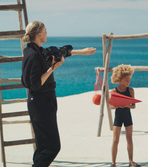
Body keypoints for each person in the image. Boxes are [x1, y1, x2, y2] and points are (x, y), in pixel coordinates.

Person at [21, 21, 96, 167]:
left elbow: (61, 52)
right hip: (40, 104)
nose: (47, 32)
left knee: (43, 146)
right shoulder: (34, 55)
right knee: (53, 147)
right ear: (39, 34)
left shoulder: (38, 51)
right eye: (45, 30)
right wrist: (53, 68)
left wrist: (82, 51)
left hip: (44, 102)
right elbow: (34, 84)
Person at [110, 64, 141, 167]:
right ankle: (113, 163)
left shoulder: (131, 91)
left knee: (129, 138)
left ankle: (131, 161)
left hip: (128, 116)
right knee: (115, 140)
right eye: (126, 80)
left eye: (129, 80)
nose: (128, 82)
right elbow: (110, 106)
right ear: (120, 79)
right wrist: (118, 104)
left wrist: (126, 105)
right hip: (118, 117)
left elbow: (133, 106)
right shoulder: (114, 91)